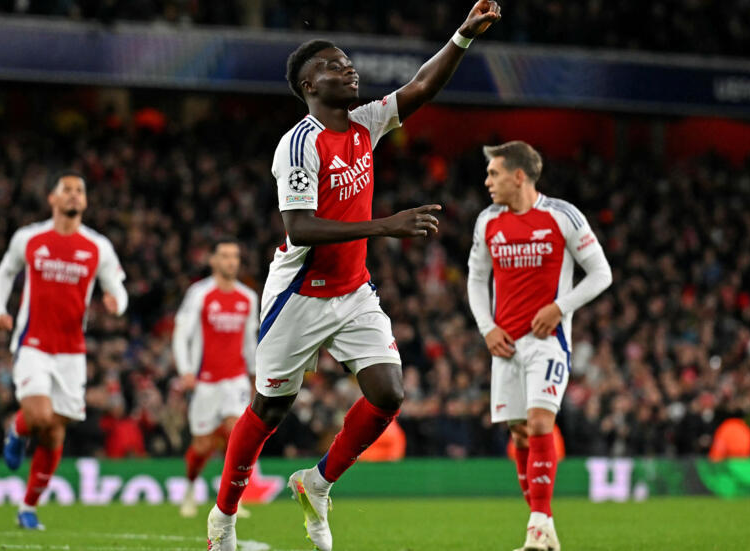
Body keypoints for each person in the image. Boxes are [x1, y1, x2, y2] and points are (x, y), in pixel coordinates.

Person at [207, 3, 502, 549]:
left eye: (349, 64)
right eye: (337, 66)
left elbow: (419, 87)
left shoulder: (365, 123)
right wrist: (383, 225)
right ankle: (223, 518)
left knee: (389, 393)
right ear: (309, 84)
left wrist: (462, 34)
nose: (350, 71)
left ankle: (317, 484)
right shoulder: (298, 143)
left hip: (353, 291)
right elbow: (299, 228)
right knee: (269, 408)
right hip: (299, 294)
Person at [467, 141, 612, 551]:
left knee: (540, 423)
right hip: (504, 345)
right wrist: (486, 328)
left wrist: (559, 308)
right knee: (519, 434)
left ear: (518, 176)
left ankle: (536, 527)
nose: (487, 181)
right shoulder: (487, 221)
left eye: (494, 174)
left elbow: (601, 273)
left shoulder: (561, 215)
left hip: (548, 342)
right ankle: (544, 529)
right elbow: (477, 279)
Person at [0, 171, 128, 530]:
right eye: (66, 190)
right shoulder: (30, 238)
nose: (73, 195)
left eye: (79, 190)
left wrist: (117, 302)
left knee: (54, 432)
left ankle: (28, 508)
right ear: (52, 198)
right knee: (38, 415)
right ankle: (18, 429)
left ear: (85, 201)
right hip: (32, 342)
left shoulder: (97, 245)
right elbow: (5, 272)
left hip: (71, 352)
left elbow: (117, 285)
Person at [172, 237, 258, 518]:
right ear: (213, 261)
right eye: (225, 256)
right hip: (205, 381)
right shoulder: (199, 294)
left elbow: (250, 342)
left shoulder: (248, 297)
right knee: (202, 446)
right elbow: (180, 333)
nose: (231, 261)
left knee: (237, 436)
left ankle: (234, 500)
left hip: (236, 380)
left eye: (235, 256)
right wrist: (185, 370)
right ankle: (189, 488)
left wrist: (257, 375)